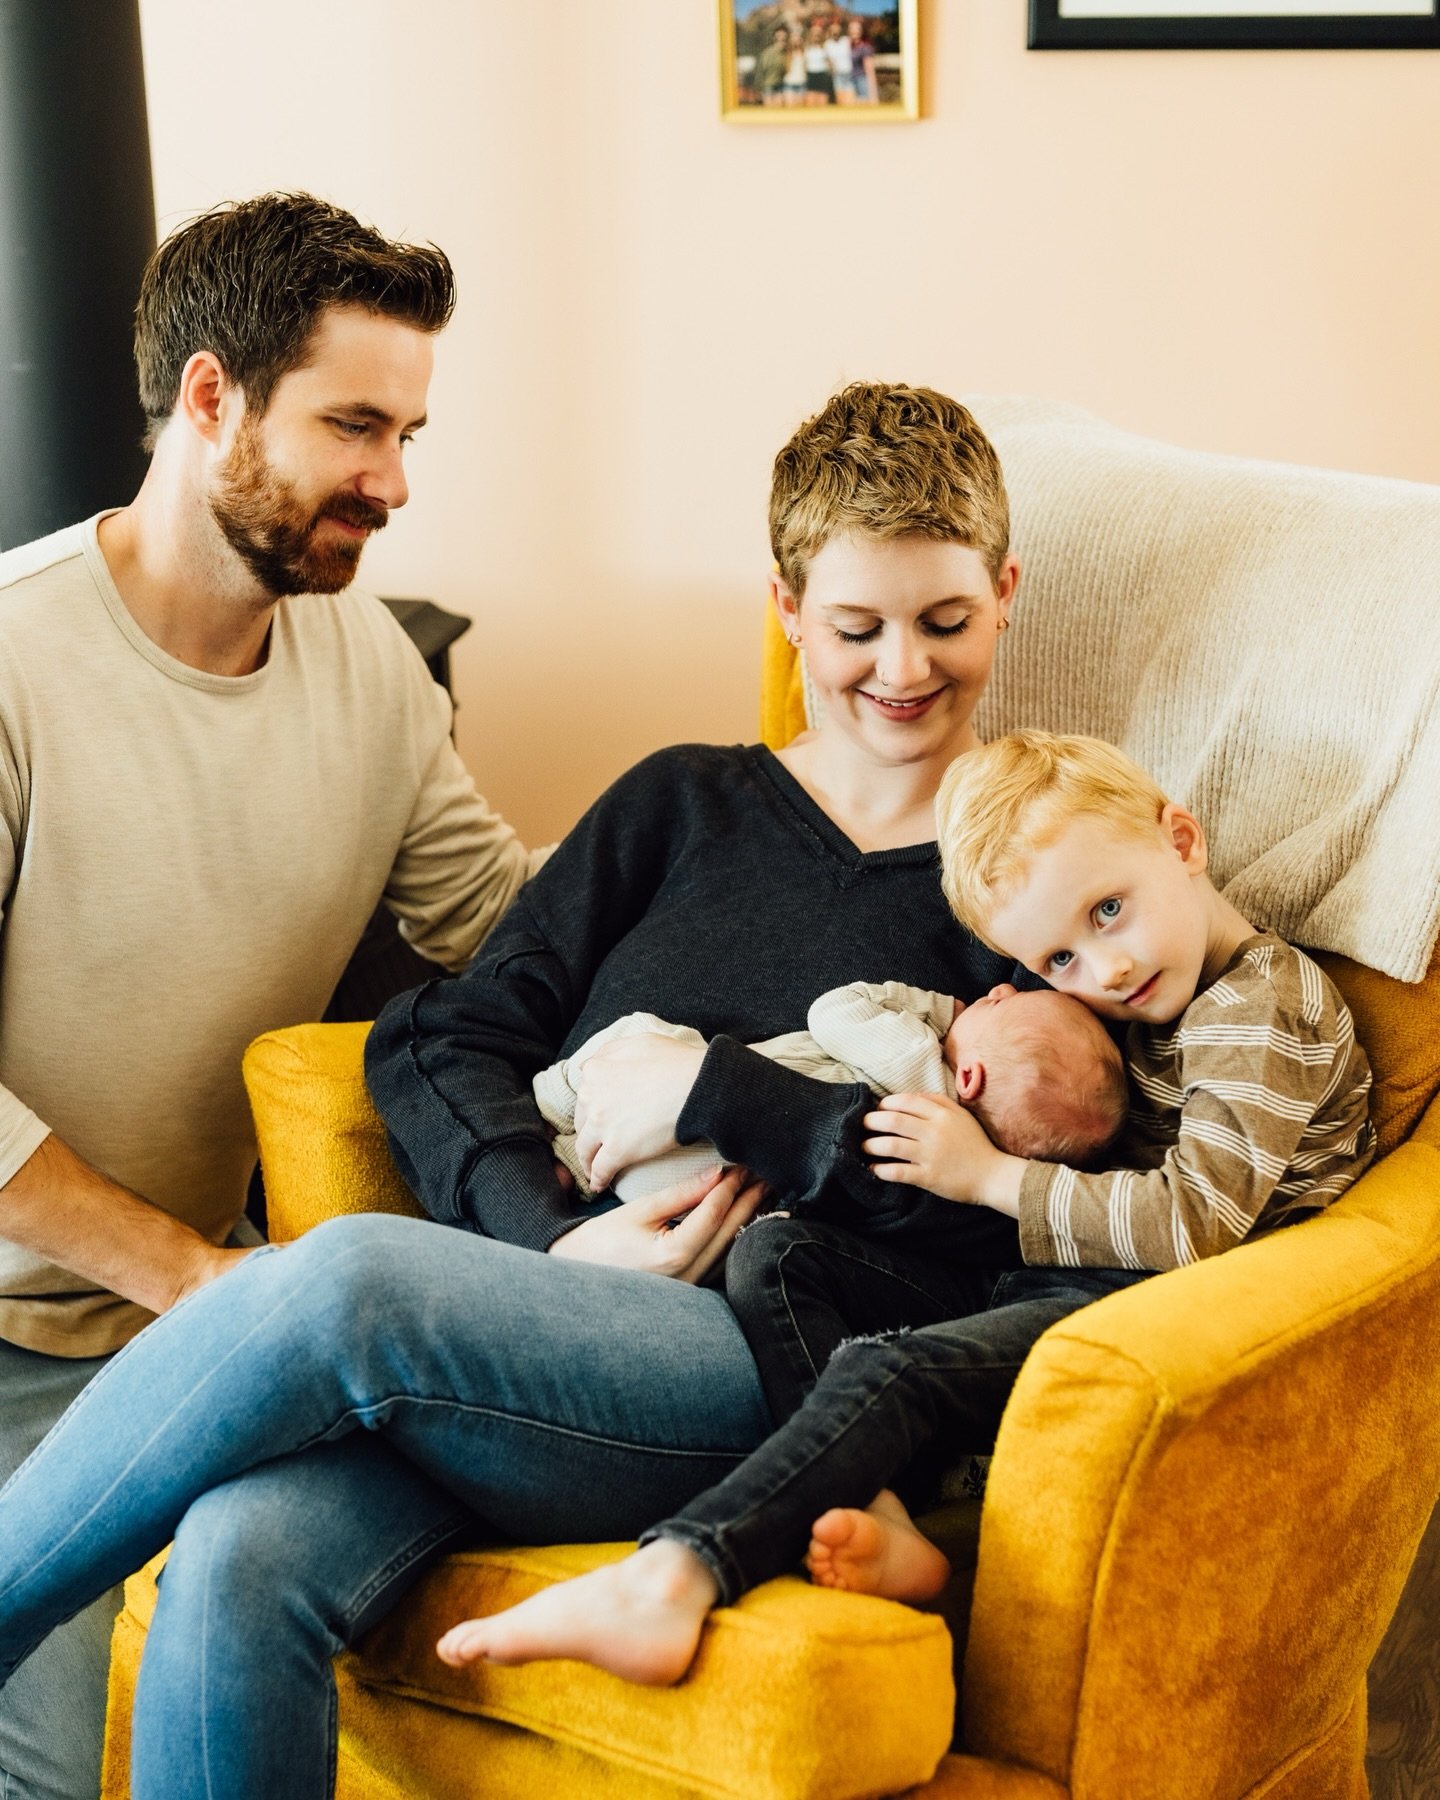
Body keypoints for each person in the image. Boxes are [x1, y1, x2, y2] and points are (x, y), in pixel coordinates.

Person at [0, 383, 1081, 1800]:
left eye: (945, 622)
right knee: (240, 1554)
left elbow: (1038, 1211)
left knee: (346, 1286)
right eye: (856, 627)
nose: (902, 670)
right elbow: (441, 1038)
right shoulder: (679, 805)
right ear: (786, 610)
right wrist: (549, 1237)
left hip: (761, 1362)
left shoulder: (1044, 876)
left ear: (1004, 596)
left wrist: (722, 1093)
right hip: (537, 1327)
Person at [434, 731, 1376, 1688]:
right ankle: (877, 1506)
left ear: (1183, 841)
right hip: (1037, 1272)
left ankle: (677, 1576)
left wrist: (981, 1176)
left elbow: (1191, 1225)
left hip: (1149, 1312)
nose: (1104, 971)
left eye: (1108, 910)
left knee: (895, 1370)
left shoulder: (1261, 1006)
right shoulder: (1147, 1000)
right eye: (1058, 957)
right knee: (780, 1252)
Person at [0, 192, 542, 1800]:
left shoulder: (368, 666)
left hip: (198, 1320)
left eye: (409, 431)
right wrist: (186, 1276)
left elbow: (507, 929)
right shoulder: (15, 662)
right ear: (212, 399)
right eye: (355, 424)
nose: (391, 478)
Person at [537, 979, 1125, 1203]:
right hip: (683, 1194)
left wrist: (935, 1008)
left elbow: (832, 1009)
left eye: (1004, 1005)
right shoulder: (936, 1159)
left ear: (968, 1079)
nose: (996, 989)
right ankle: (572, 1164)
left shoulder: (910, 1056)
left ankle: (554, 1101)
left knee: (641, 1033)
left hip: (671, 1121)